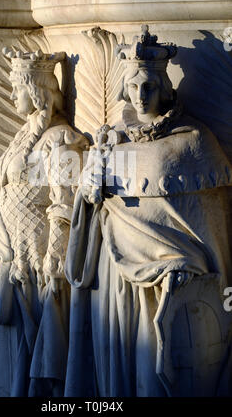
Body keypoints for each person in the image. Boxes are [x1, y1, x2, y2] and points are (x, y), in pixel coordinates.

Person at [64, 26, 232, 397]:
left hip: (171, 284)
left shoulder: (194, 141)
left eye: (150, 86)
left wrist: (190, 265)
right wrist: (89, 194)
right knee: (123, 376)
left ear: (167, 89)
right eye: (135, 86)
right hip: (118, 281)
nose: (141, 96)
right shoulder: (111, 141)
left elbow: (207, 226)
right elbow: (90, 209)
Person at [0, 48, 88, 397]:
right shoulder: (25, 135)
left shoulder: (59, 139)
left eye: (16, 88)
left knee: (34, 344)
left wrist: (55, 254)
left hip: (38, 262)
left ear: (36, 91)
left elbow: (63, 201)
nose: (11, 96)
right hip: (10, 256)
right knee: (10, 345)